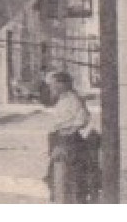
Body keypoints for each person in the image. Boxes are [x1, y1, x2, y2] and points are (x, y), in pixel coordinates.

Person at [45, 71, 90, 203]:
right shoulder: (63, 99)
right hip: (61, 138)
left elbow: (83, 119)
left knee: (64, 175)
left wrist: (68, 129)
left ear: (61, 84)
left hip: (67, 140)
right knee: (57, 175)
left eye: (53, 84)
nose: (51, 87)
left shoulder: (72, 99)